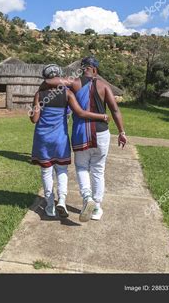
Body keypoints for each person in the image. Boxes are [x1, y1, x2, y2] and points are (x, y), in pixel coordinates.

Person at [43, 57, 127, 222]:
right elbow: (115, 110)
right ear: (95, 69)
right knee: (98, 169)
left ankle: (87, 197)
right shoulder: (104, 87)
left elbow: (51, 81)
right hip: (102, 133)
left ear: (83, 69)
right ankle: (96, 206)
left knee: (81, 167)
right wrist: (121, 132)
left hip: (80, 133)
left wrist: (49, 81)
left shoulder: (74, 83)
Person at [30, 64, 109, 218]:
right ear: (59, 76)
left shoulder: (39, 95)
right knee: (61, 170)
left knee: (46, 171)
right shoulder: (67, 94)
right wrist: (101, 116)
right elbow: (80, 112)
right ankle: (62, 199)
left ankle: (50, 205)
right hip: (60, 138)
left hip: (43, 138)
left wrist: (33, 108)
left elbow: (34, 119)